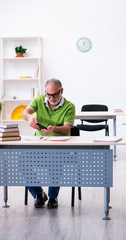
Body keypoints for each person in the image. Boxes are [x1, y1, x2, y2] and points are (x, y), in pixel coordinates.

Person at [22, 78, 75, 209]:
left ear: (61, 91)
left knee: (55, 161)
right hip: (39, 144)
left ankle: (52, 197)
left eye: (55, 94)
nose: (51, 98)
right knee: (22, 161)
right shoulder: (39, 100)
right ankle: (39, 194)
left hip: (60, 146)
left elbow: (67, 128)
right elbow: (25, 112)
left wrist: (53, 129)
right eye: (48, 94)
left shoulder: (69, 106)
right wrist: (30, 118)